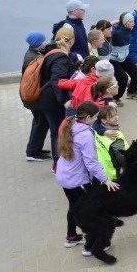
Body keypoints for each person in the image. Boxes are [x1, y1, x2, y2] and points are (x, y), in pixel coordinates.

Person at [55, 102, 119, 250]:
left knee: (74, 206)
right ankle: (92, 245)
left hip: (64, 176)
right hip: (77, 180)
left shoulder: (71, 124)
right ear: (89, 117)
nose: (97, 119)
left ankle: (71, 237)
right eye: (96, 117)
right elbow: (91, 162)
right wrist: (105, 179)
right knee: (89, 211)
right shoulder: (85, 135)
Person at [39, 28, 78, 163]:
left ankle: (59, 162)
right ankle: (59, 163)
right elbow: (57, 80)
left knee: (55, 131)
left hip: (46, 98)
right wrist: (65, 100)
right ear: (71, 40)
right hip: (53, 101)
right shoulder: (60, 57)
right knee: (58, 132)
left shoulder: (51, 51)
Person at [22, 31, 53, 162]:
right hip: (34, 96)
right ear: (37, 44)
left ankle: (35, 148)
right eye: (42, 41)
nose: (45, 43)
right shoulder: (33, 59)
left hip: (30, 96)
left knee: (39, 122)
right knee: (41, 123)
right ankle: (33, 152)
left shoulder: (33, 53)